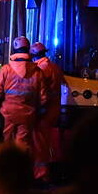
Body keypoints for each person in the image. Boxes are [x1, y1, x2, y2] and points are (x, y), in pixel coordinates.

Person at [0, 36, 47, 158]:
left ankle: (5, 171)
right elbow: (43, 97)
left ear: (14, 50)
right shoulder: (37, 71)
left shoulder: (6, 69)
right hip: (28, 114)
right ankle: (20, 170)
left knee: (7, 141)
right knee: (23, 143)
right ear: (28, 50)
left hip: (8, 112)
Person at [30, 41, 64, 180]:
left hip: (44, 110)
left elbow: (40, 92)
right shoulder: (54, 67)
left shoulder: (40, 68)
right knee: (48, 142)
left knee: (39, 144)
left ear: (33, 55)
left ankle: (41, 174)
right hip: (54, 109)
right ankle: (48, 171)